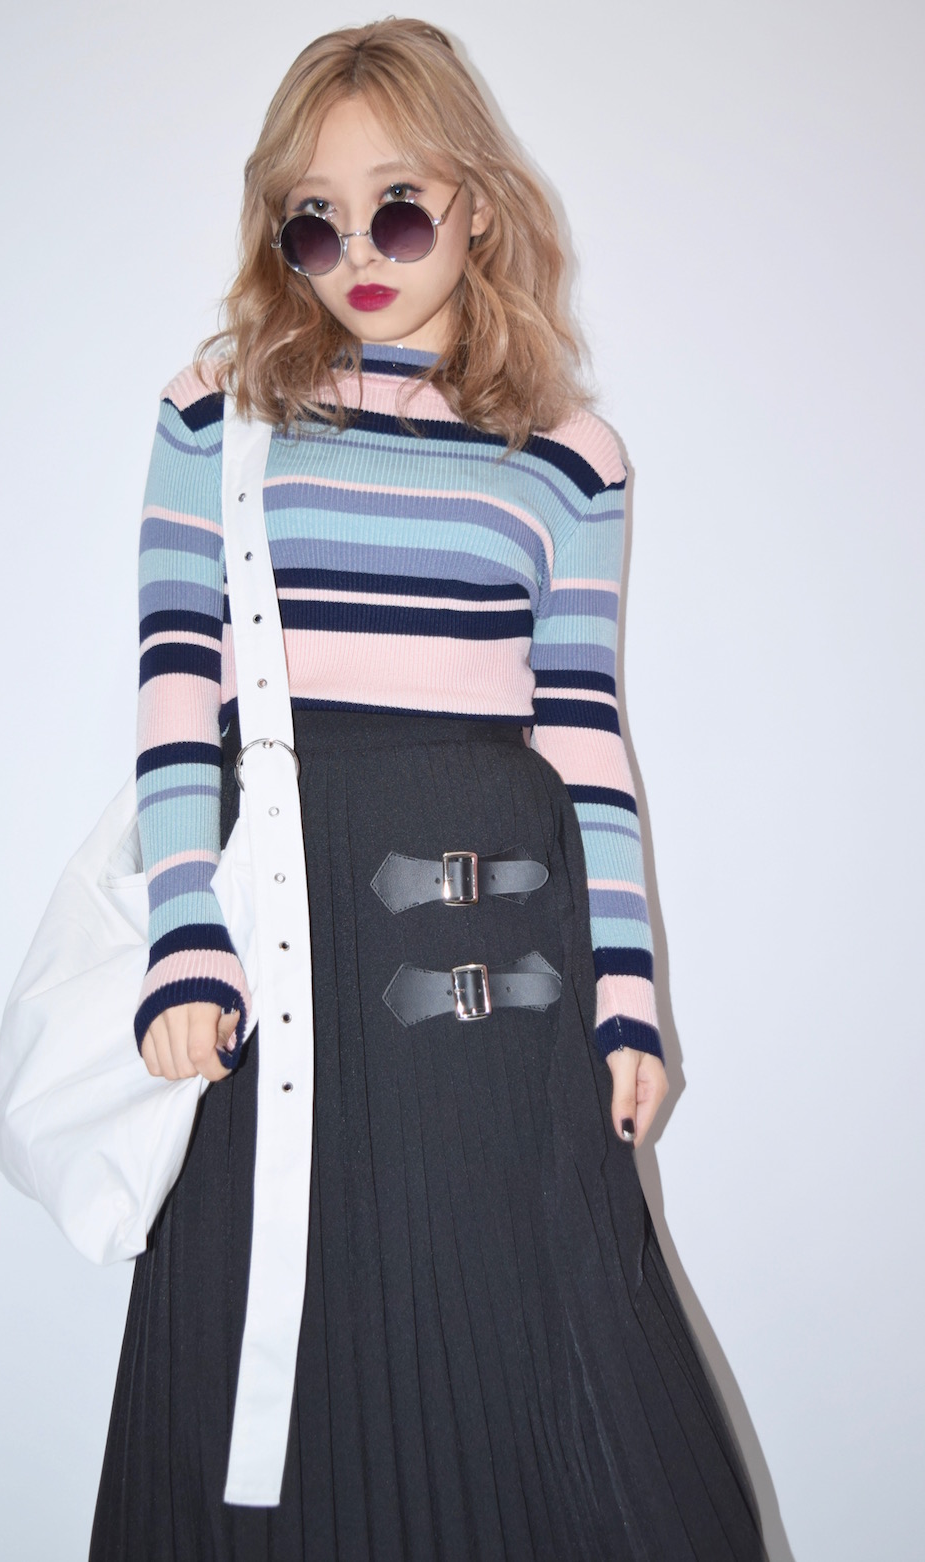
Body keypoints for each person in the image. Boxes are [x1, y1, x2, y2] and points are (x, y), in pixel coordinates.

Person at [90, 17, 767, 1561]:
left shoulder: (570, 454)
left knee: (581, 1398)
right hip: (284, 975)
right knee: (270, 1383)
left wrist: (628, 993)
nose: (359, 254)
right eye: (312, 219)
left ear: (475, 203)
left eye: (397, 209)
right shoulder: (218, 411)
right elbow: (176, 681)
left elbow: (583, 729)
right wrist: (184, 937)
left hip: (504, 990)